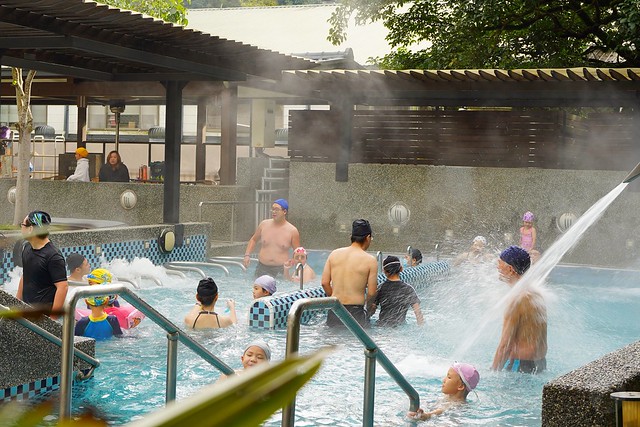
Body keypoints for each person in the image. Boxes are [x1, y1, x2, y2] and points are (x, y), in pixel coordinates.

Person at [492, 246, 547, 373]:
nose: (497, 268)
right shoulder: (536, 294)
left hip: (521, 367)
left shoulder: (515, 300)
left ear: (510, 269)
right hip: (540, 363)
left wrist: (493, 372)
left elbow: (505, 346)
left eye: (499, 264)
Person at [321, 219, 378, 328]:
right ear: (368, 238)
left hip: (335, 311)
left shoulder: (334, 254)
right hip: (356, 313)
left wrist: (335, 300)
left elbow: (324, 283)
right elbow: (371, 292)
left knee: (333, 342)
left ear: (351, 236)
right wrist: (368, 308)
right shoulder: (370, 260)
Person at [16, 211, 68, 319]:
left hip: (44, 316)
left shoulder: (53, 256)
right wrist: (17, 303)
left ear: (30, 229)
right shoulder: (27, 248)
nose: (21, 228)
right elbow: (25, 274)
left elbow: (62, 287)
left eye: (23, 225)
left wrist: (52, 320)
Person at [243, 198, 300, 278]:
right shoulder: (264, 225)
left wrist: (296, 269)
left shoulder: (292, 231)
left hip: (281, 269)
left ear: (284, 212)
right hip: (262, 267)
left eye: (277, 209)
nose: (273, 212)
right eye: (272, 209)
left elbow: (297, 252)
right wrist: (247, 255)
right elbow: (253, 240)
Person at [408, 362, 480, 420]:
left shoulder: (457, 405)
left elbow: (442, 410)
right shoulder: (448, 397)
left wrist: (427, 416)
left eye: (449, 377)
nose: (444, 380)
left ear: (460, 386)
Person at [371, 255, 424, 327]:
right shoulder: (408, 289)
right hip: (400, 327)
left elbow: (372, 309)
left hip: (382, 326)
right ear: (401, 269)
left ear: (384, 271)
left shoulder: (380, 288)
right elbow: (418, 313)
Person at [74, 268, 123, 340]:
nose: (89, 286)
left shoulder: (82, 322)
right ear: (106, 300)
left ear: (86, 301)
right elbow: (119, 337)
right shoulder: (113, 319)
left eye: (91, 283)